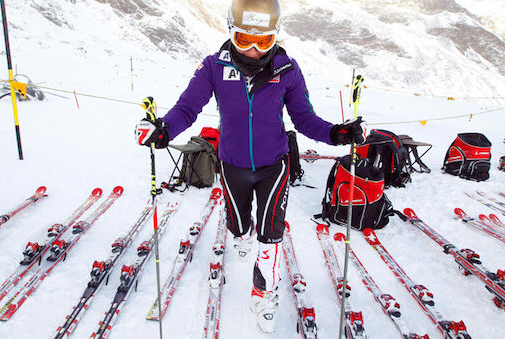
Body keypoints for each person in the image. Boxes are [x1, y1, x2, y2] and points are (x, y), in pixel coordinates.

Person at [135, 0, 365, 333]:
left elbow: (304, 118)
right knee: (239, 226)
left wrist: (336, 133)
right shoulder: (214, 67)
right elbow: (187, 108)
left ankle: (263, 292)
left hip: (274, 166)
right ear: (231, 32)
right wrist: (165, 129)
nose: (255, 50)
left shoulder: (286, 69)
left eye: (263, 41)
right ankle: (242, 235)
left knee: (270, 236)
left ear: (275, 36)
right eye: (245, 40)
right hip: (232, 165)